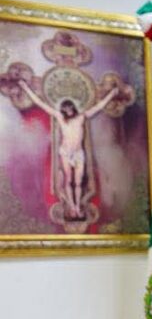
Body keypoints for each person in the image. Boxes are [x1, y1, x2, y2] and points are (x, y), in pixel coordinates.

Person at [18, 80, 118, 218]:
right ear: (63, 110)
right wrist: (26, 88)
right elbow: (41, 104)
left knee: (78, 182)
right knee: (68, 180)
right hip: (66, 152)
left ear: (73, 108)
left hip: (78, 153)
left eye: (70, 108)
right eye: (66, 108)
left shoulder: (81, 117)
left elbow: (99, 106)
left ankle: (77, 205)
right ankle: (73, 207)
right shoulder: (60, 118)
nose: (68, 110)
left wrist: (111, 94)